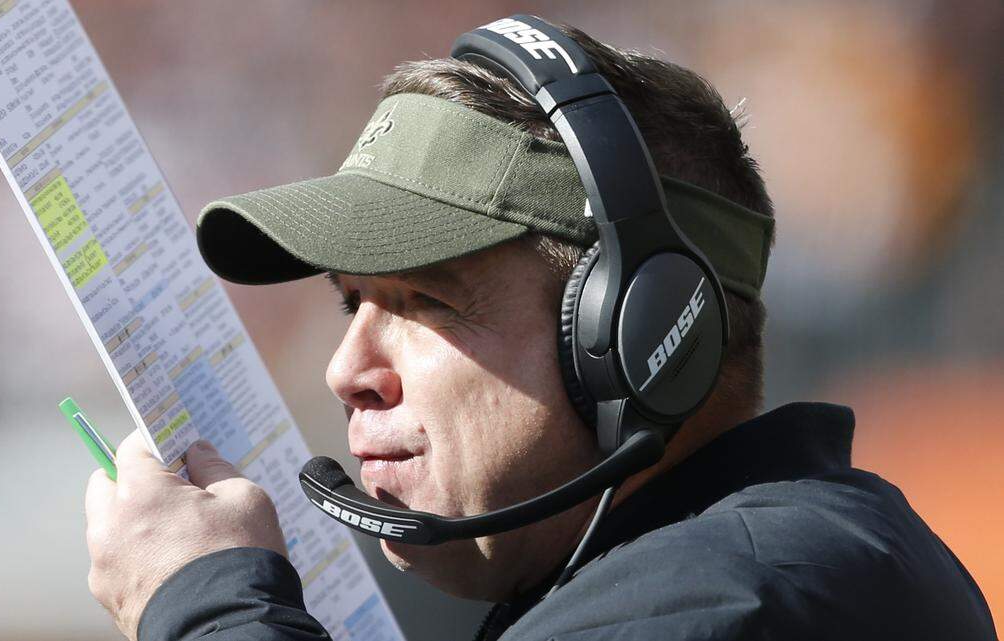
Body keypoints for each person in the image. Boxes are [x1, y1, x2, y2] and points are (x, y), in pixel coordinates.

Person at [83, 20, 996, 641]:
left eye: (426, 301)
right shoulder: (750, 562)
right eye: (352, 303)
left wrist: (207, 606)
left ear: (639, 334)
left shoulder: (723, 600)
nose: (346, 368)